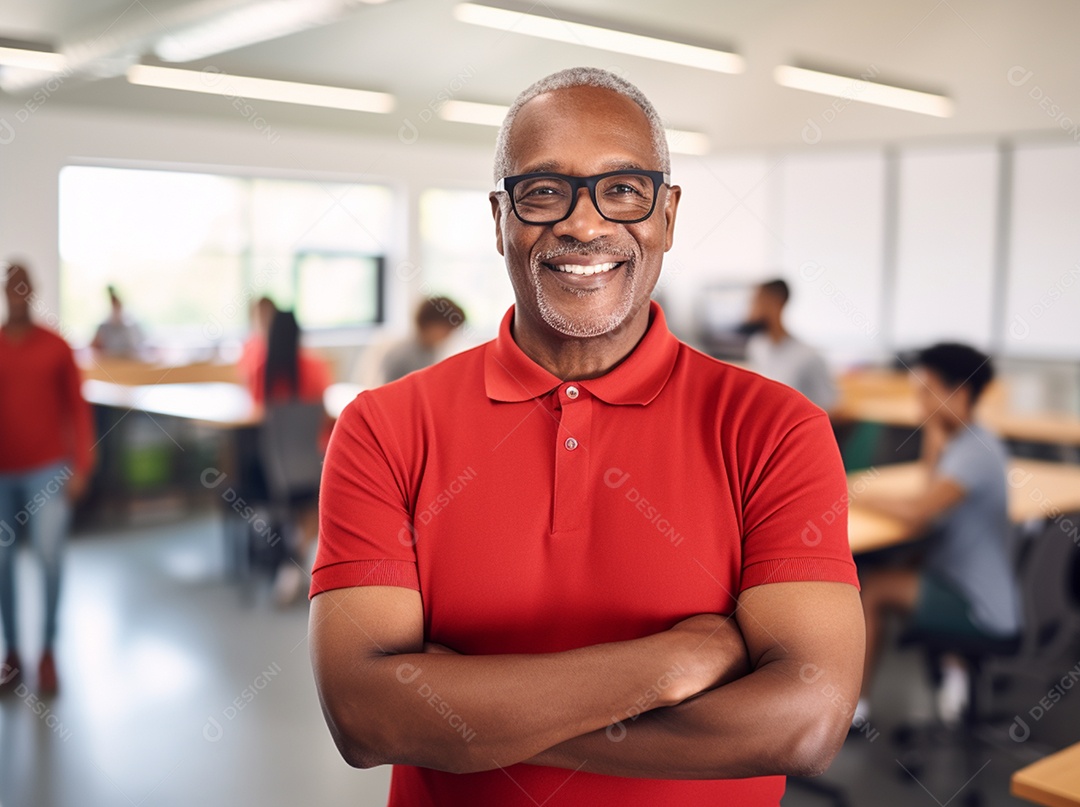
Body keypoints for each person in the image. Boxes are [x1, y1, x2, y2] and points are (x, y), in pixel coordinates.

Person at [309, 68, 864, 806]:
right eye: (543, 191)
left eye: (623, 189)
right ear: (500, 217)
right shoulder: (382, 427)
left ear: (667, 214)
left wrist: (460, 721)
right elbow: (365, 716)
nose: (583, 223)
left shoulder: (775, 428)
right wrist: (669, 665)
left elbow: (805, 723)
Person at [855, 343, 1021, 727]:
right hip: (965, 584)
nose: (918, 398)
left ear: (959, 394)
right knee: (898, 565)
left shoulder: (974, 453)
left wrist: (859, 493)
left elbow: (919, 513)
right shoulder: (967, 442)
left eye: (927, 389)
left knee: (872, 589)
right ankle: (955, 670)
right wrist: (936, 420)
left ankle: (856, 713)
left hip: (980, 607)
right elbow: (931, 486)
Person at [0, 262, 95, 696]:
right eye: (10, 286)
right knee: (3, 566)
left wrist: (82, 465)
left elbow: (78, 409)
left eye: (24, 286)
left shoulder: (57, 347)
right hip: (3, 472)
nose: (17, 294)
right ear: (5, 292)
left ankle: (48, 652)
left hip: (49, 471)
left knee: (49, 556)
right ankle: (14, 654)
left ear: (32, 291)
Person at [251, 309, 332, 606]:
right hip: (313, 465)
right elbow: (323, 416)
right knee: (313, 508)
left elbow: (257, 418)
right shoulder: (315, 366)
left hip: (273, 469)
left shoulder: (261, 369)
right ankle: (294, 559)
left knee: (299, 508)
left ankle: (290, 562)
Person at [744, 278, 838, 410]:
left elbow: (829, 408)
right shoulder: (757, 347)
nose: (749, 310)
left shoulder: (808, 357)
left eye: (756, 301)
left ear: (776, 303)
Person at [355, 296, 467, 387]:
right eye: (447, 329)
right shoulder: (402, 354)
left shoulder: (430, 350)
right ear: (430, 324)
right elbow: (388, 395)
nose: (449, 336)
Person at [90, 284, 145, 359]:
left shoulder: (132, 326)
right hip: (109, 364)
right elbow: (93, 346)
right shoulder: (104, 327)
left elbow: (142, 347)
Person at [236, 295, 278, 391]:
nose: (263, 319)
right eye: (260, 315)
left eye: (267, 314)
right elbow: (245, 380)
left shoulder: (286, 347)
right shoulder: (249, 347)